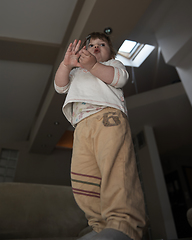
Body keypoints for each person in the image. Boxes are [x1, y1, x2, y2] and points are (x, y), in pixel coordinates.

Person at [54, 32, 146, 240]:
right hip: (81, 127)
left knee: (115, 166)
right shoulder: (77, 72)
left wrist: (93, 65)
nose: (96, 47)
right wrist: (67, 65)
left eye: (102, 44)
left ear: (110, 53)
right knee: (84, 177)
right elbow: (60, 86)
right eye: (91, 45)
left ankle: (124, 224)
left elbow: (118, 80)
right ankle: (100, 227)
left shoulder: (114, 65)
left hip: (108, 118)